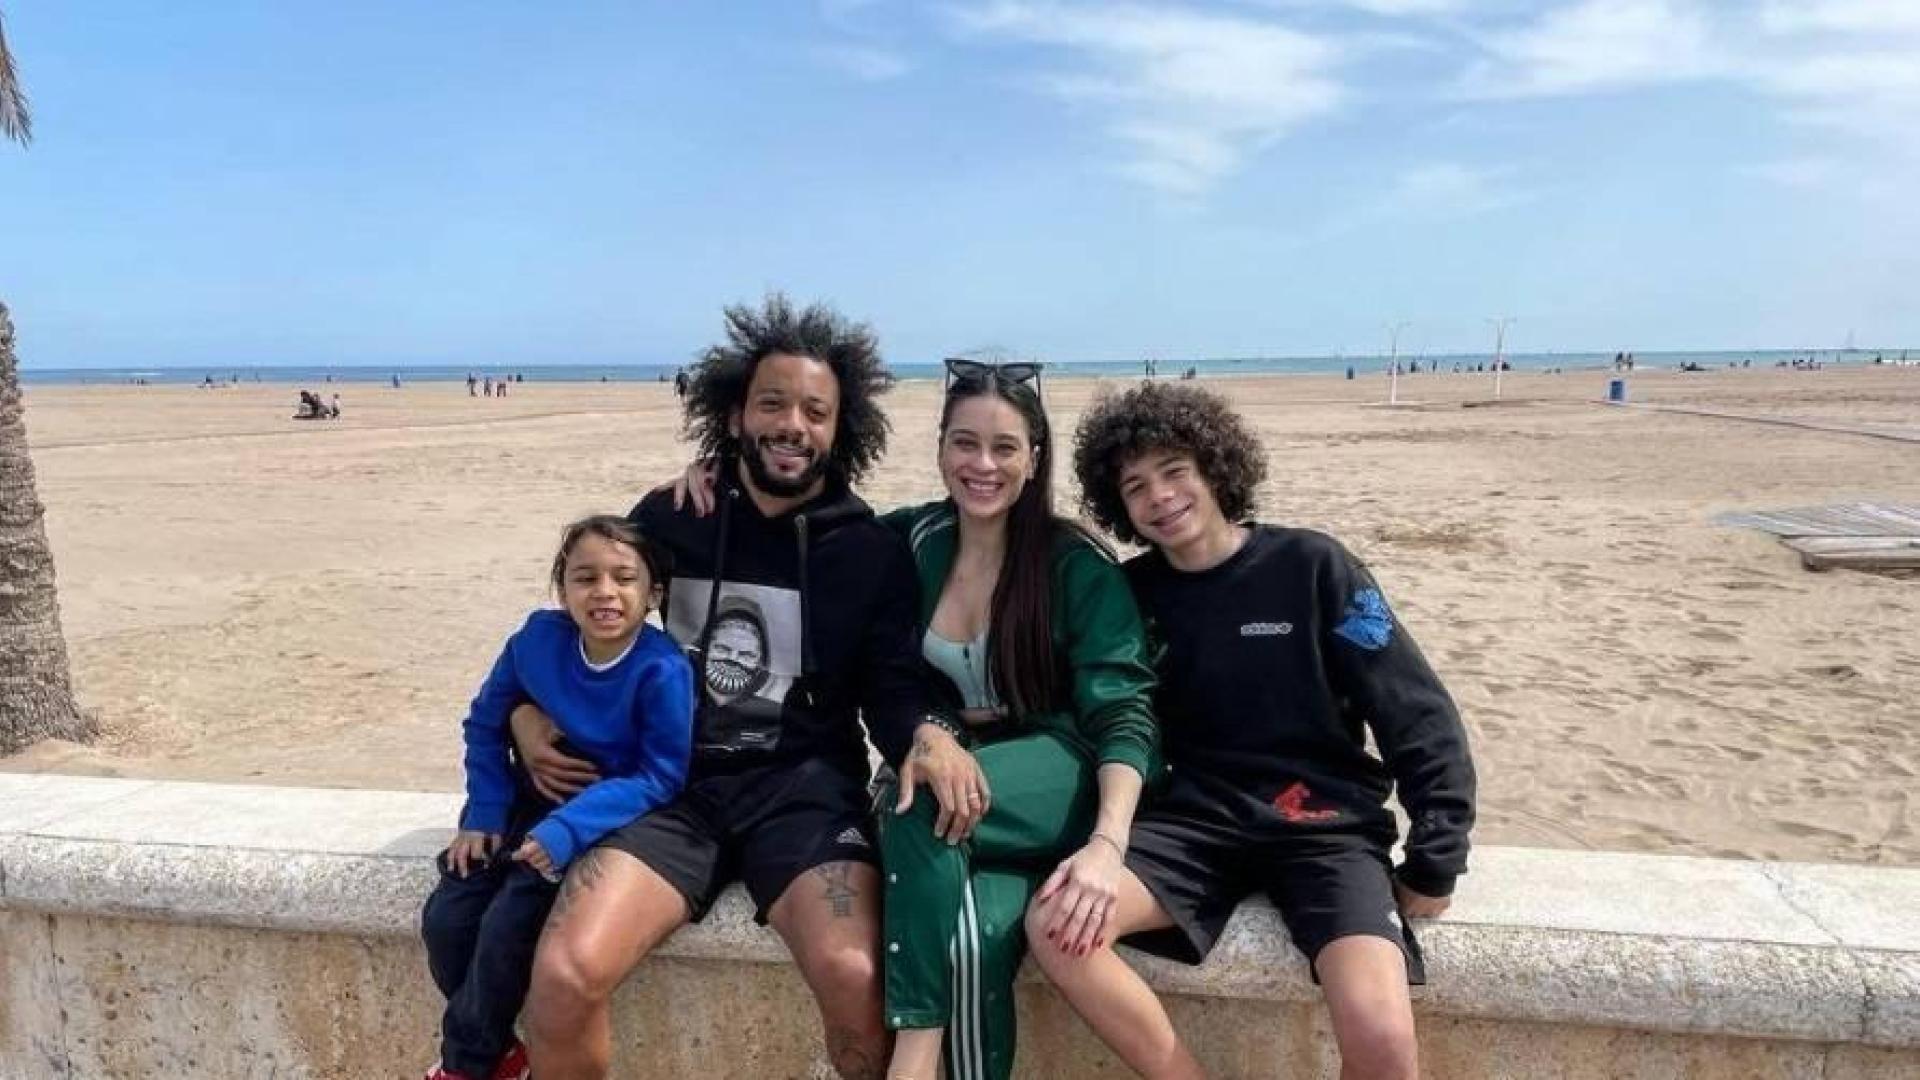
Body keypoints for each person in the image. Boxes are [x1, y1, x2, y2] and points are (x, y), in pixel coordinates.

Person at [510, 295, 935, 1080]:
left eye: (816, 410)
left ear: (842, 429)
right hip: (670, 787)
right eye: (772, 403)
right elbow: (582, 634)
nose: (792, 425)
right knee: (564, 977)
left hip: (803, 793)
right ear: (735, 412)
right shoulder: (672, 518)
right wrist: (527, 716)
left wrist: (929, 737)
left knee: (857, 978)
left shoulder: (869, 551)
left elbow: (894, 689)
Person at [1037, 382, 1476, 1080]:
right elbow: (1089, 704)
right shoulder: (1128, 594)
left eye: (1176, 471)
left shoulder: (1313, 567)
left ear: (1215, 467)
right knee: (1055, 926)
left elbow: (1413, 709)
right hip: (1194, 823)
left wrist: (1437, 852)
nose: (1161, 497)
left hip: (1324, 826)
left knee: (1384, 1040)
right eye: (1136, 486)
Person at [875, 358, 1158, 1080]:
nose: (982, 464)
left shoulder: (1075, 565)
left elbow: (1125, 712)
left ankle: (912, 1055)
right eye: (964, 443)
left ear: (1034, 459)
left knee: (910, 800)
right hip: (967, 767)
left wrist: (1107, 843)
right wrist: (706, 479)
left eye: (1005, 447)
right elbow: (803, 529)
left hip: (1060, 768)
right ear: (940, 449)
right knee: (972, 941)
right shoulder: (911, 540)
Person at [419, 515, 695, 1080]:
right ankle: (501, 1052)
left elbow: (661, 775)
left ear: (654, 594)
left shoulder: (663, 668)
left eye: (624, 578)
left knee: (508, 923)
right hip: (523, 799)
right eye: (584, 577)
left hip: (598, 815)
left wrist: (566, 831)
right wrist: (484, 813)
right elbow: (485, 724)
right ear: (562, 588)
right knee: (448, 917)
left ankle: (465, 1066)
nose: (604, 592)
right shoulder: (537, 641)